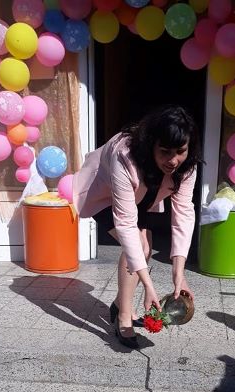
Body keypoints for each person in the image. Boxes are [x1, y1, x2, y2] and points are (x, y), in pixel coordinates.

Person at [72, 104, 202, 348]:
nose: (173, 160)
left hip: (143, 192)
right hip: (105, 193)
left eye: (180, 151)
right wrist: (149, 287)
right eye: (165, 151)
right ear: (152, 144)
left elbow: (184, 213)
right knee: (140, 248)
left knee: (145, 247)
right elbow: (125, 222)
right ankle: (124, 316)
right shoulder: (125, 155)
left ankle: (120, 303)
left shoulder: (187, 164)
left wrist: (179, 274)